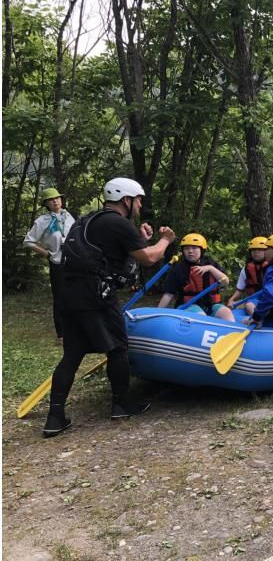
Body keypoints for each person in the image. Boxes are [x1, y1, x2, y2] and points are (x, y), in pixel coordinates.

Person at [44, 177, 176, 437]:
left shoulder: (89, 220)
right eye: (138, 200)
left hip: (68, 296)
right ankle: (121, 403)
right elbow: (149, 258)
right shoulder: (118, 223)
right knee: (117, 348)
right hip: (96, 297)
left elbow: (111, 253)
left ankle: (55, 417)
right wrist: (165, 241)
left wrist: (139, 238)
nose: (140, 205)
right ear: (126, 200)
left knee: (71, 355)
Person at [23, 187, 76, 344]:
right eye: (51, 199)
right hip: (57, 263)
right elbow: (28, 241)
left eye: (58, 198)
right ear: (46, 203)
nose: (56, 201)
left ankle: (76, 330)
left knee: (75, 295)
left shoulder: (68, 216)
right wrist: (46, 253)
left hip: (73, 262)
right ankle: (62, 334)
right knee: (60, 298)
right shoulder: (42, 221)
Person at [157, 233, 235, 321]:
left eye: (194, 248)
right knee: (200, 316)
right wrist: (157, 313)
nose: (190, 251)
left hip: (211, 305)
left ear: (202, 250)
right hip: (188, 306)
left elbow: (225, 282)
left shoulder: (212, 264)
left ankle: (234, 333)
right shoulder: (178, 268)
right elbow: (168, 294)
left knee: (226, 312)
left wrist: (210, 268)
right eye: (186, 248)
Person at [227, 237, 272, 315]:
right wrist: (231, 299)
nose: (256, 252)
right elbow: (240, 289)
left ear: (267, 251)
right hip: (254, 299)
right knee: (249, 305)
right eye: (253, 250)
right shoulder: (246, 269)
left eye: (259, 249)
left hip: (270, 298)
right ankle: (257, 320)